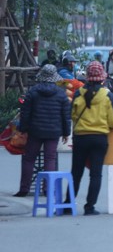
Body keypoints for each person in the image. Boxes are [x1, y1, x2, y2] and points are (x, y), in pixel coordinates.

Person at [69, 61, 113, 215]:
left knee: (76, 173)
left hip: (80, 138)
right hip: (99, 138)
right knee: (95, 174)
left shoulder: (78, 93)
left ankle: (68, 204)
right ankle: (89, 207)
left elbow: (72, 115)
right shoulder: (107, 95)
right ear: (102, 78)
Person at [13, 65, 71, 198]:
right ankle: (47, 189)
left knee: (29, 159)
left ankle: (24, 189)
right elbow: (65, 115)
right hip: (53, 132)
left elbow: (25, 113)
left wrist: (23, 129)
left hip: (35, 131)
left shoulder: (32, 92)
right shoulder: (61, 94)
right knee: (49, 159)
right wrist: (66, 133)